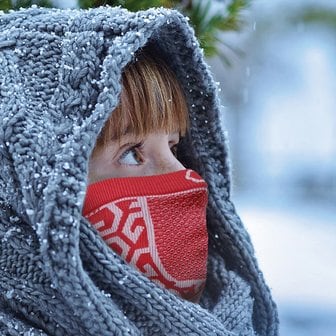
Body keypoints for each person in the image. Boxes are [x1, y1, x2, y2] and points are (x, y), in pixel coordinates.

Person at [0, 5, 279, 336]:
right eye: (132, 153)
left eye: (174, 147)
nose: (182, 175)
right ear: (32, 187)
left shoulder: (228, 317)